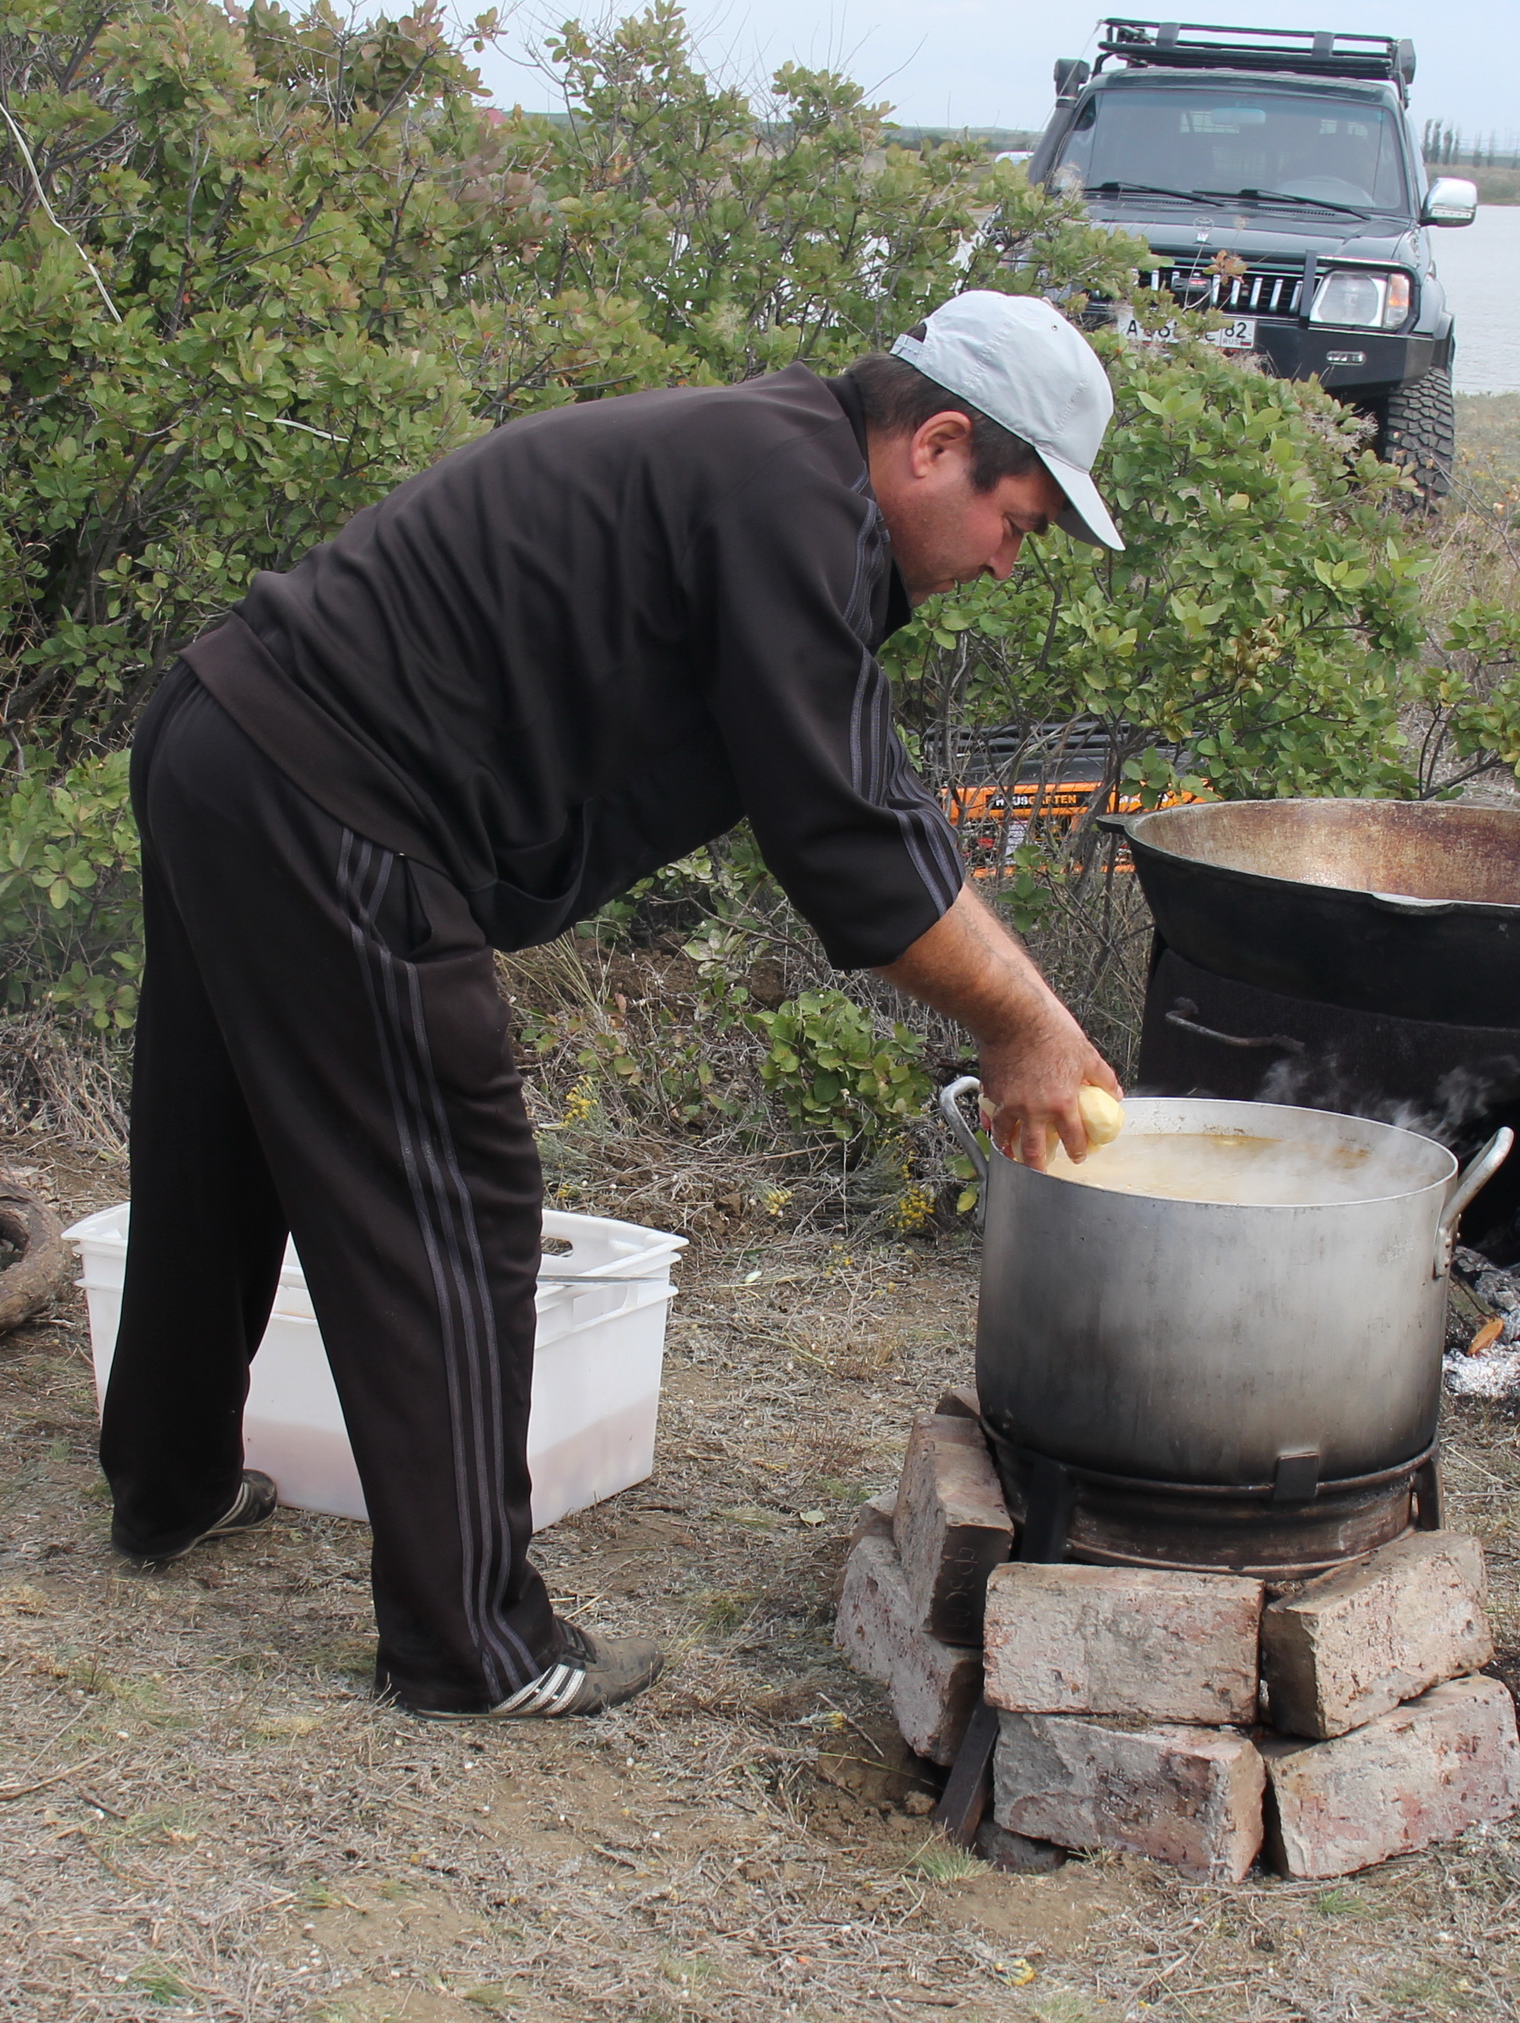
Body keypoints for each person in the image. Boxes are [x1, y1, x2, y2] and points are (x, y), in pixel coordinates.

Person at [98, 288, 1127, 1720]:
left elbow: (863, 784)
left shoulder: (773, 469)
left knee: (217, 1143)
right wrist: (1023, 1025)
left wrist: (1021, 1004)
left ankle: (169, 1485)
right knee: (452, 1202)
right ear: (940, 443)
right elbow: (847, 838)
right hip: (331, 798)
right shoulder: (789, 498)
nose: (1010, 564)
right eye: (1019, 523)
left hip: (226, 737)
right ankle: (473, 1647)